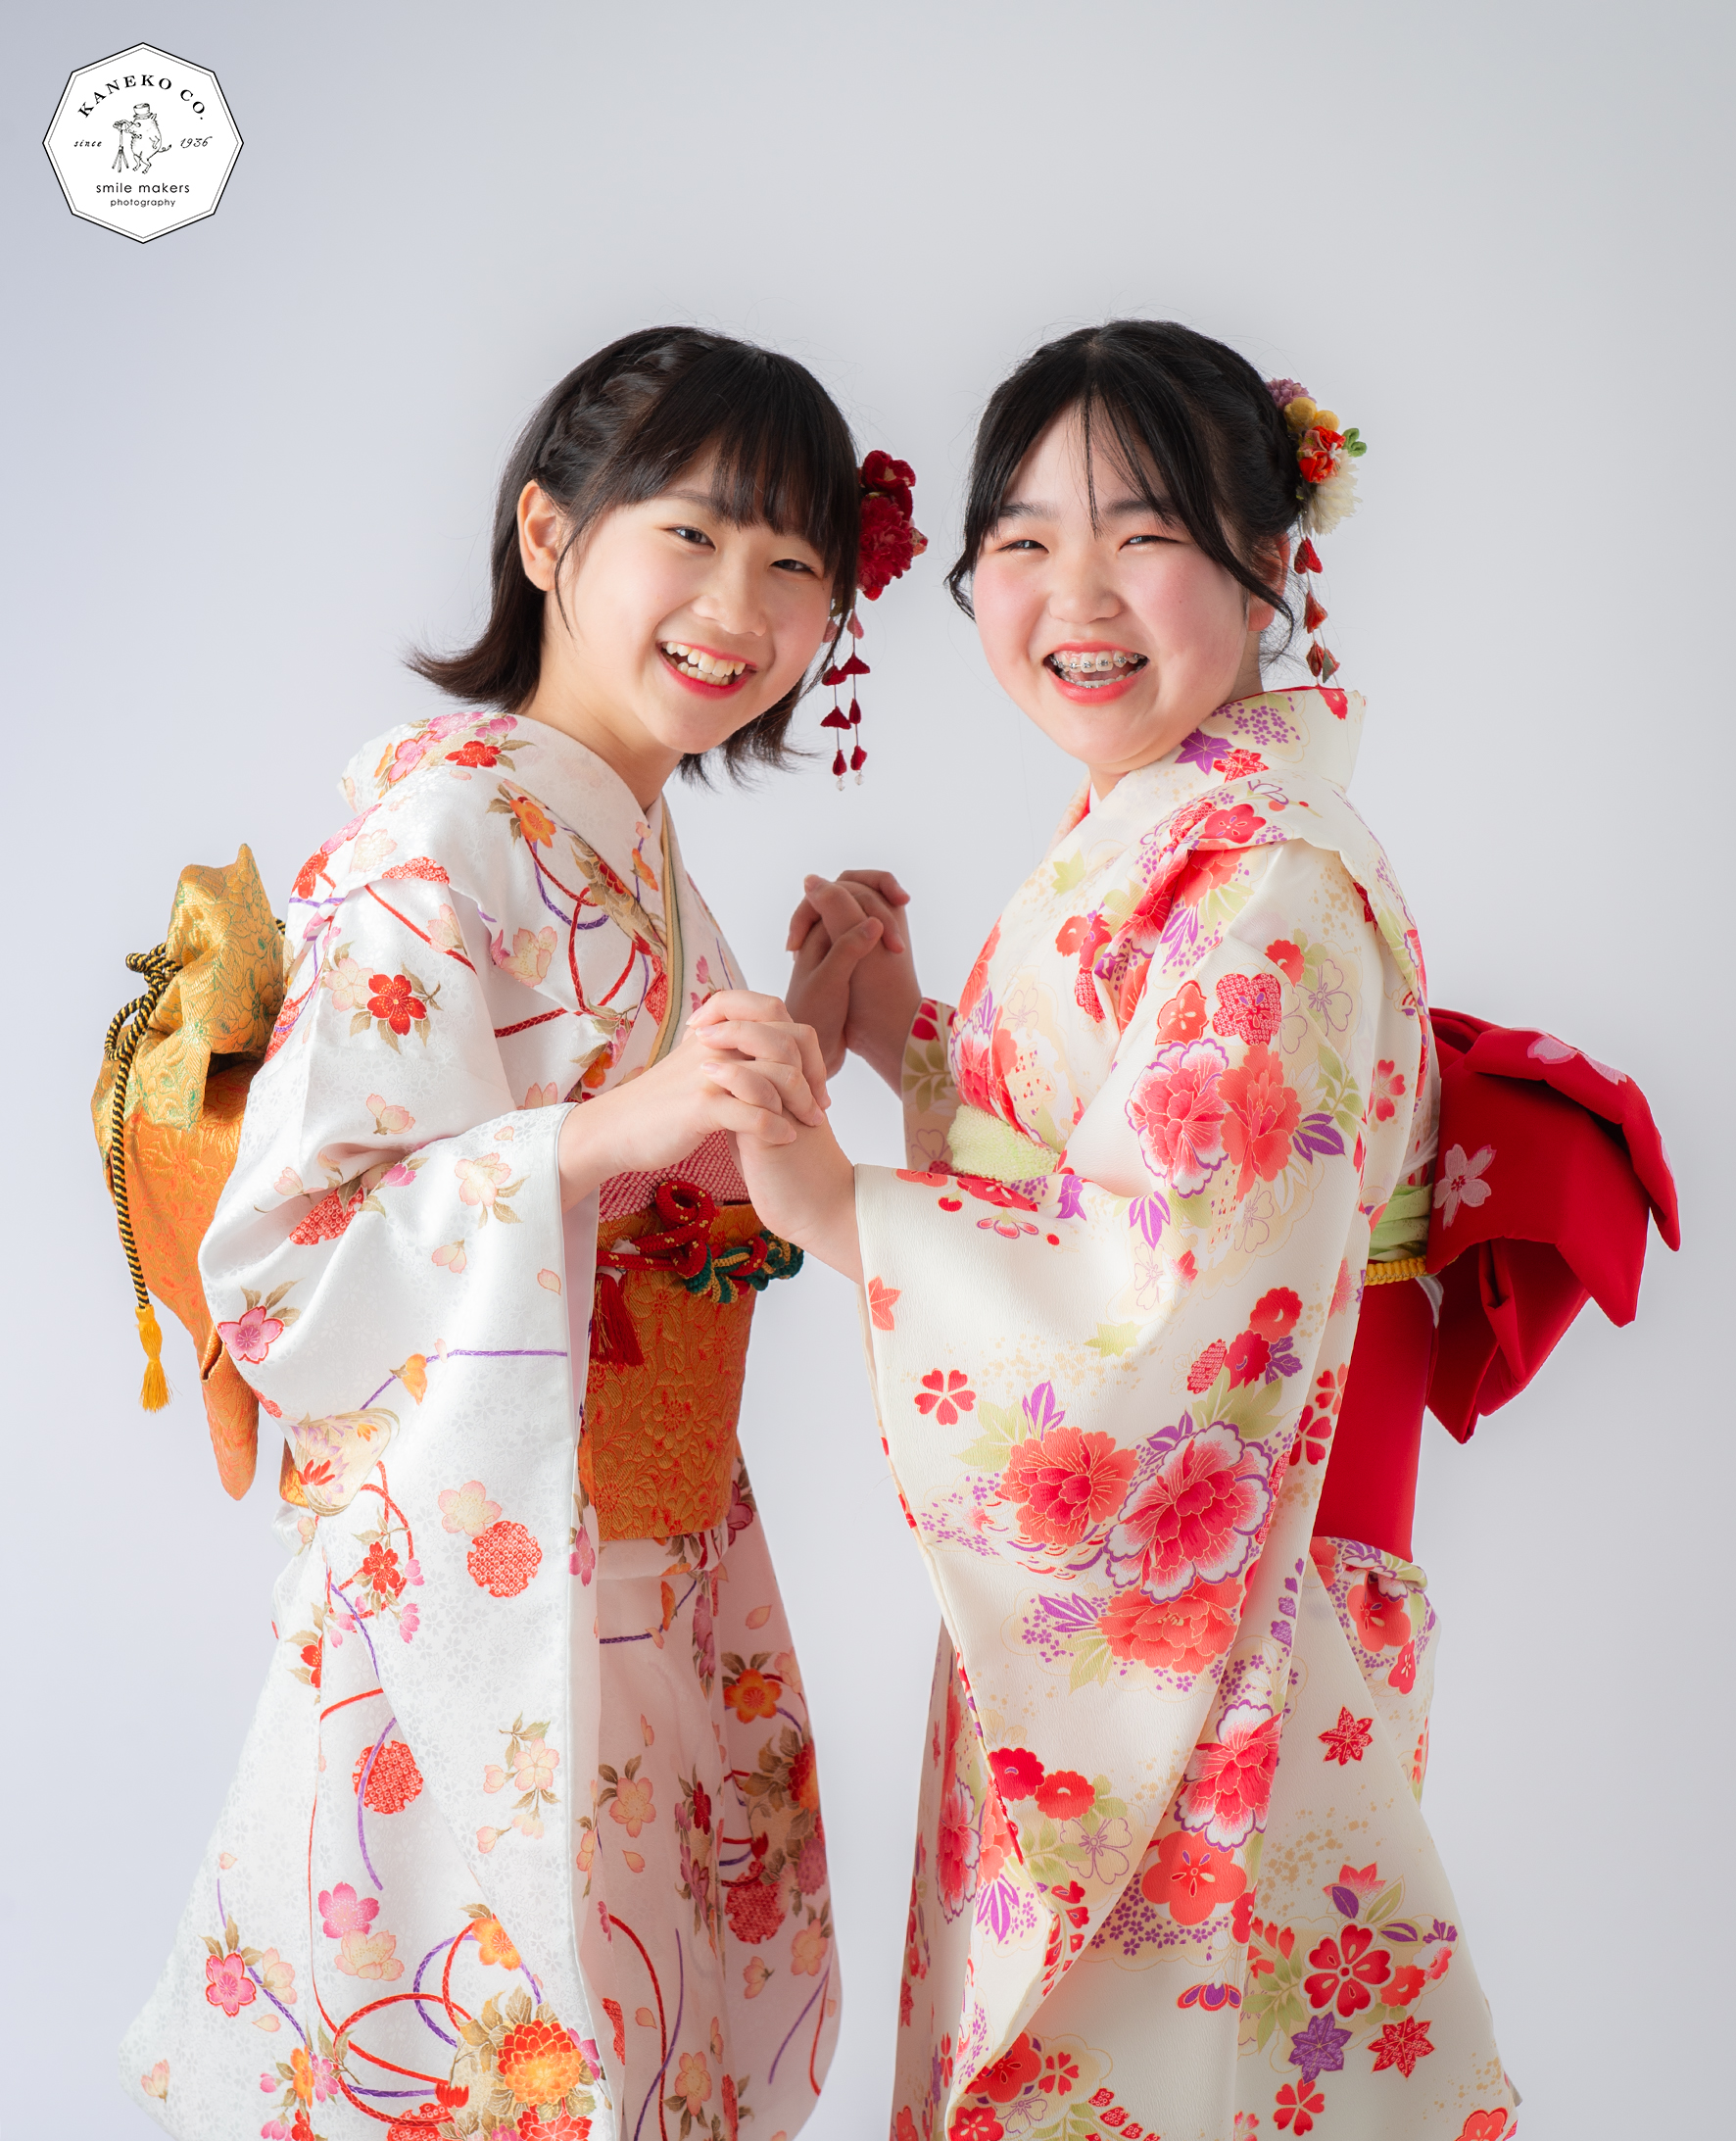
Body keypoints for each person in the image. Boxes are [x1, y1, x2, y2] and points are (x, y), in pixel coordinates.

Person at [121, 327, 917, 2141]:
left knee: (626, 2044)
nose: (741, 607)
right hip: (475, 1596)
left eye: (795, 562)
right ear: (550, 534)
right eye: (692, 534)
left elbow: (692, 1206)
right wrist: (601, 1133)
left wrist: (808, 1012)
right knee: (492, 2054)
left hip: (642, 1572)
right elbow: (293, 1255)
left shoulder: (641, 855)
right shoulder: (444, 833)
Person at [738, 321, 1527, 2139]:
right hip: (1165, 1605)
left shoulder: (1271, 880)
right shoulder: (1171, 827)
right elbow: (1094, 1162)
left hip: (1232, 1603)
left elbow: (1164, 1292)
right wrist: (912, 1041)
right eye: (1021, 541)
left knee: (1171, 2073)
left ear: (1266, 561)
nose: (1074, 594)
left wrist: (843, 1207)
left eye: (1142, 531)